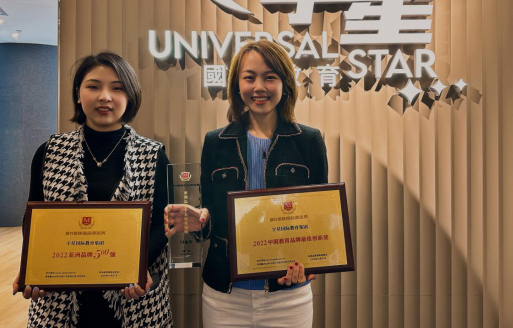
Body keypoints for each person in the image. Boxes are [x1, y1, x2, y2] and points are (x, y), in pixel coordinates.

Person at [165, 40, 328, 328]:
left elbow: (319, 218)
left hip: (287, 295)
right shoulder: (215, 141)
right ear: (237, 85)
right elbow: (210, 215)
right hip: (224, 295)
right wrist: (199, 220)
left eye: (270, 77)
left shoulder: (309, 141)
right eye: (249, 77)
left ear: (285, 83)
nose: (259, 87)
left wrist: (311, 264)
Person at [12, 52, 173, 327]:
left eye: (117, 88)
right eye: (94, 86)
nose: (104, 97)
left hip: (134, 297)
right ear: (78, 93)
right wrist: (34, 267)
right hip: (60, 299)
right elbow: (34, 217)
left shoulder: (152, 154)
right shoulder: (50, 151)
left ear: (130, 96)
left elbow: (162, 224)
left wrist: (134, 267)